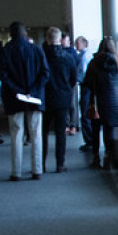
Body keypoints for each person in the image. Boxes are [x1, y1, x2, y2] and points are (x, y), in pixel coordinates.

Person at [0, 21, 49, 180]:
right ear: (25, 33)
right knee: (36, 134)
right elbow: (45, 73)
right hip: (35, 97)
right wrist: (32, 91)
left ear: (10, 34)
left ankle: (16, 172)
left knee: (16, 134)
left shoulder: (5, 51)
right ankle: (37, 170)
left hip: (14, 99)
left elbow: (4, 76)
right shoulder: (36, 49)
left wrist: (18, 91)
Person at [41, 26, 78, 173]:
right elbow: (73, 79)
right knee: (60, 133)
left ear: (47, 39)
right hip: (63, 98)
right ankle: (60, 164)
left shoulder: (42, 56)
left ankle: (41, 164)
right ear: (60, 40)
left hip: (45, 98)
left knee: (43, 132)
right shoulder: (68, 57)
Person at [83, 37, 118, 169]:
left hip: (97, 100)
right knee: (109, 130)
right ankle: (108, 155)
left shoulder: (93, 63)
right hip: (113, 101)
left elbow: (87, 82)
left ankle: (96, 157)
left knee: (95, 129)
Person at [74, 35, 94, 151]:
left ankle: (89, 141)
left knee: (85, 113)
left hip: (86, 86)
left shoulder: (85, 56)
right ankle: (89, 140)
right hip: (84, 86)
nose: (76, 45)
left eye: (78, 43)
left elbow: (85, 72)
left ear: (85, 44)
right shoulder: (81, 55)